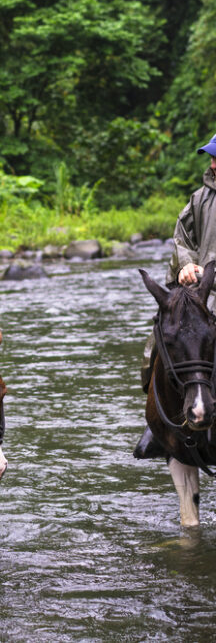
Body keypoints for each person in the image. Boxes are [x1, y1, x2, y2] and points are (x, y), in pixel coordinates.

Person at [134, 132, 216, 459]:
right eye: (211, 157)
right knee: (160, 341)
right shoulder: (199, 199)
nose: (212, 163)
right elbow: (181, 238)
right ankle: (161, 422)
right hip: (198, 293)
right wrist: (186, 266)